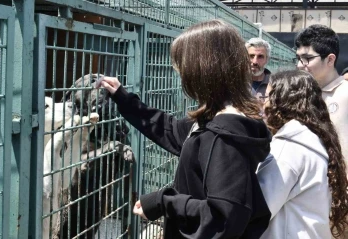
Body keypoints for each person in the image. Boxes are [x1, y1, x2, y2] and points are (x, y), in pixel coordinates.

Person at [97, 19, 272, 238]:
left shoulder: (224, 136)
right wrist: (123, 98)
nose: (181, 74)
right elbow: (172, 131)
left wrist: (164, 201)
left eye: (183, 66)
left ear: (203, 70)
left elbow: (223, 218)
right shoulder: (215, 118)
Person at [257, 70, 348, 239]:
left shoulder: (288, 148)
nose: (264, 104)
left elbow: (260, 208)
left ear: (282, 102)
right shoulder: (316, 139)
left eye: (268, 97)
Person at [295, 24, 348, 174]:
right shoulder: (300, 94)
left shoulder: (345, 94)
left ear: (330, 59)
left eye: (307, 59)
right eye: (298, 58)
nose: (300, 65)